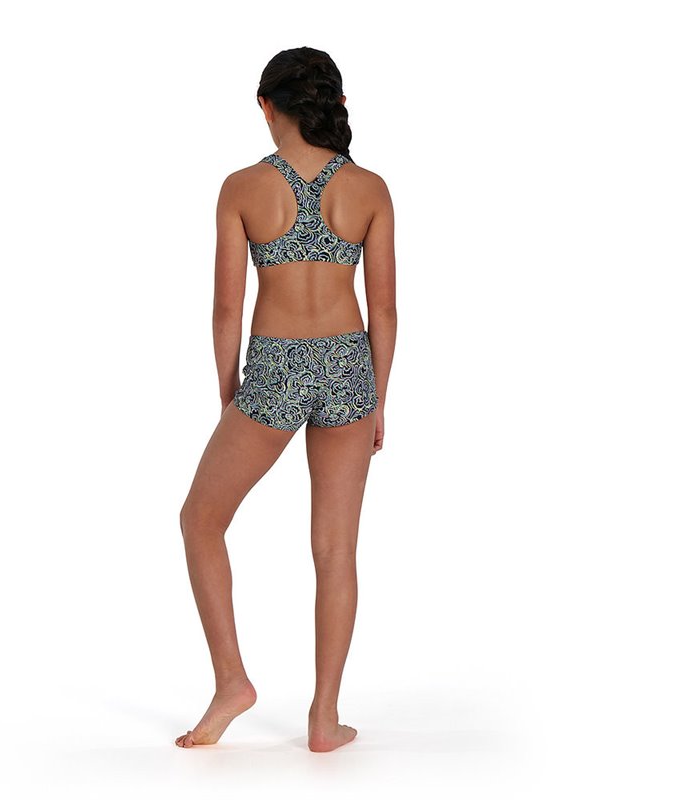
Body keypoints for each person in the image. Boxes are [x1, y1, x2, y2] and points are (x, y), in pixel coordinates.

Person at [175, 46, 397, 753]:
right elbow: (384, 311)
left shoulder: (243, 187)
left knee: (201, 520)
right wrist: (377, 399)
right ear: (332, 104)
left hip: (274, 367)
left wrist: (230, 397)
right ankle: (324, 720)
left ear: (267, 106)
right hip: (349, 365)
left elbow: (225, 309)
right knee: (335, 549)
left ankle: (232, 683)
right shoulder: (368, 189)